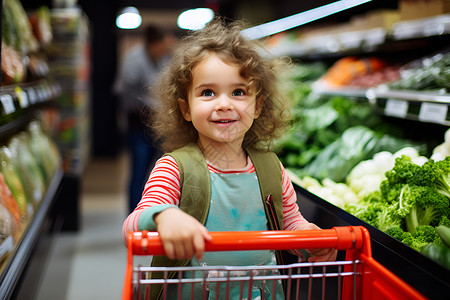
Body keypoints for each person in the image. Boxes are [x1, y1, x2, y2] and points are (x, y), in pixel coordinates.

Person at [122, 18, 337, 299]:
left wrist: (310, 237)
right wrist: (165, 216)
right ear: (186, 109)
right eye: (208, 92)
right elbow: (133, 224)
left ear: (258, 106)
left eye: (238, 92)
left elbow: (289, 225)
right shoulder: (174, 168)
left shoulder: (271, 169)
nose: (224, 104)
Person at [114, 24, 174, 213]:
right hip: (138, 126)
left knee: (156, 173)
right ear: (153, 44)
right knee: (138, 173)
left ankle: (151, 212)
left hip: (158, 126)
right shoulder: (133, 60)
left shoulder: (164, 59)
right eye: (162, 48)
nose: (165, 52)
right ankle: (134, 216)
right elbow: (124, 94)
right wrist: (149, 108)